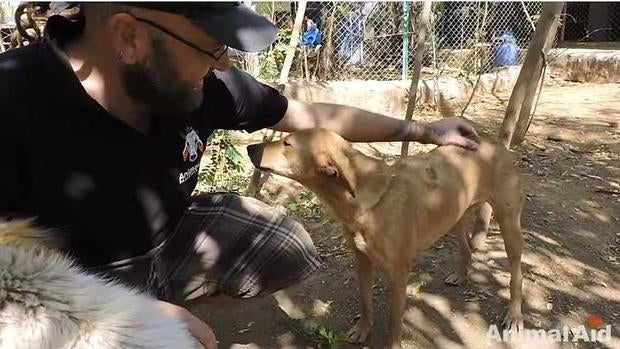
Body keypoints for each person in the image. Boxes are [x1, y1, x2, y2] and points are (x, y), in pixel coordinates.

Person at [0, 3, 479, 348]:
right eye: (212, 46)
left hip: (165, 244)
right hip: (64, 283)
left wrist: (421, 130)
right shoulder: (13, 99)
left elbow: (307, 115)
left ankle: (174, 304)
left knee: (283, 243)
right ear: (129, 37)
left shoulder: (205, 86)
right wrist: (112, 315)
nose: (224, 63)